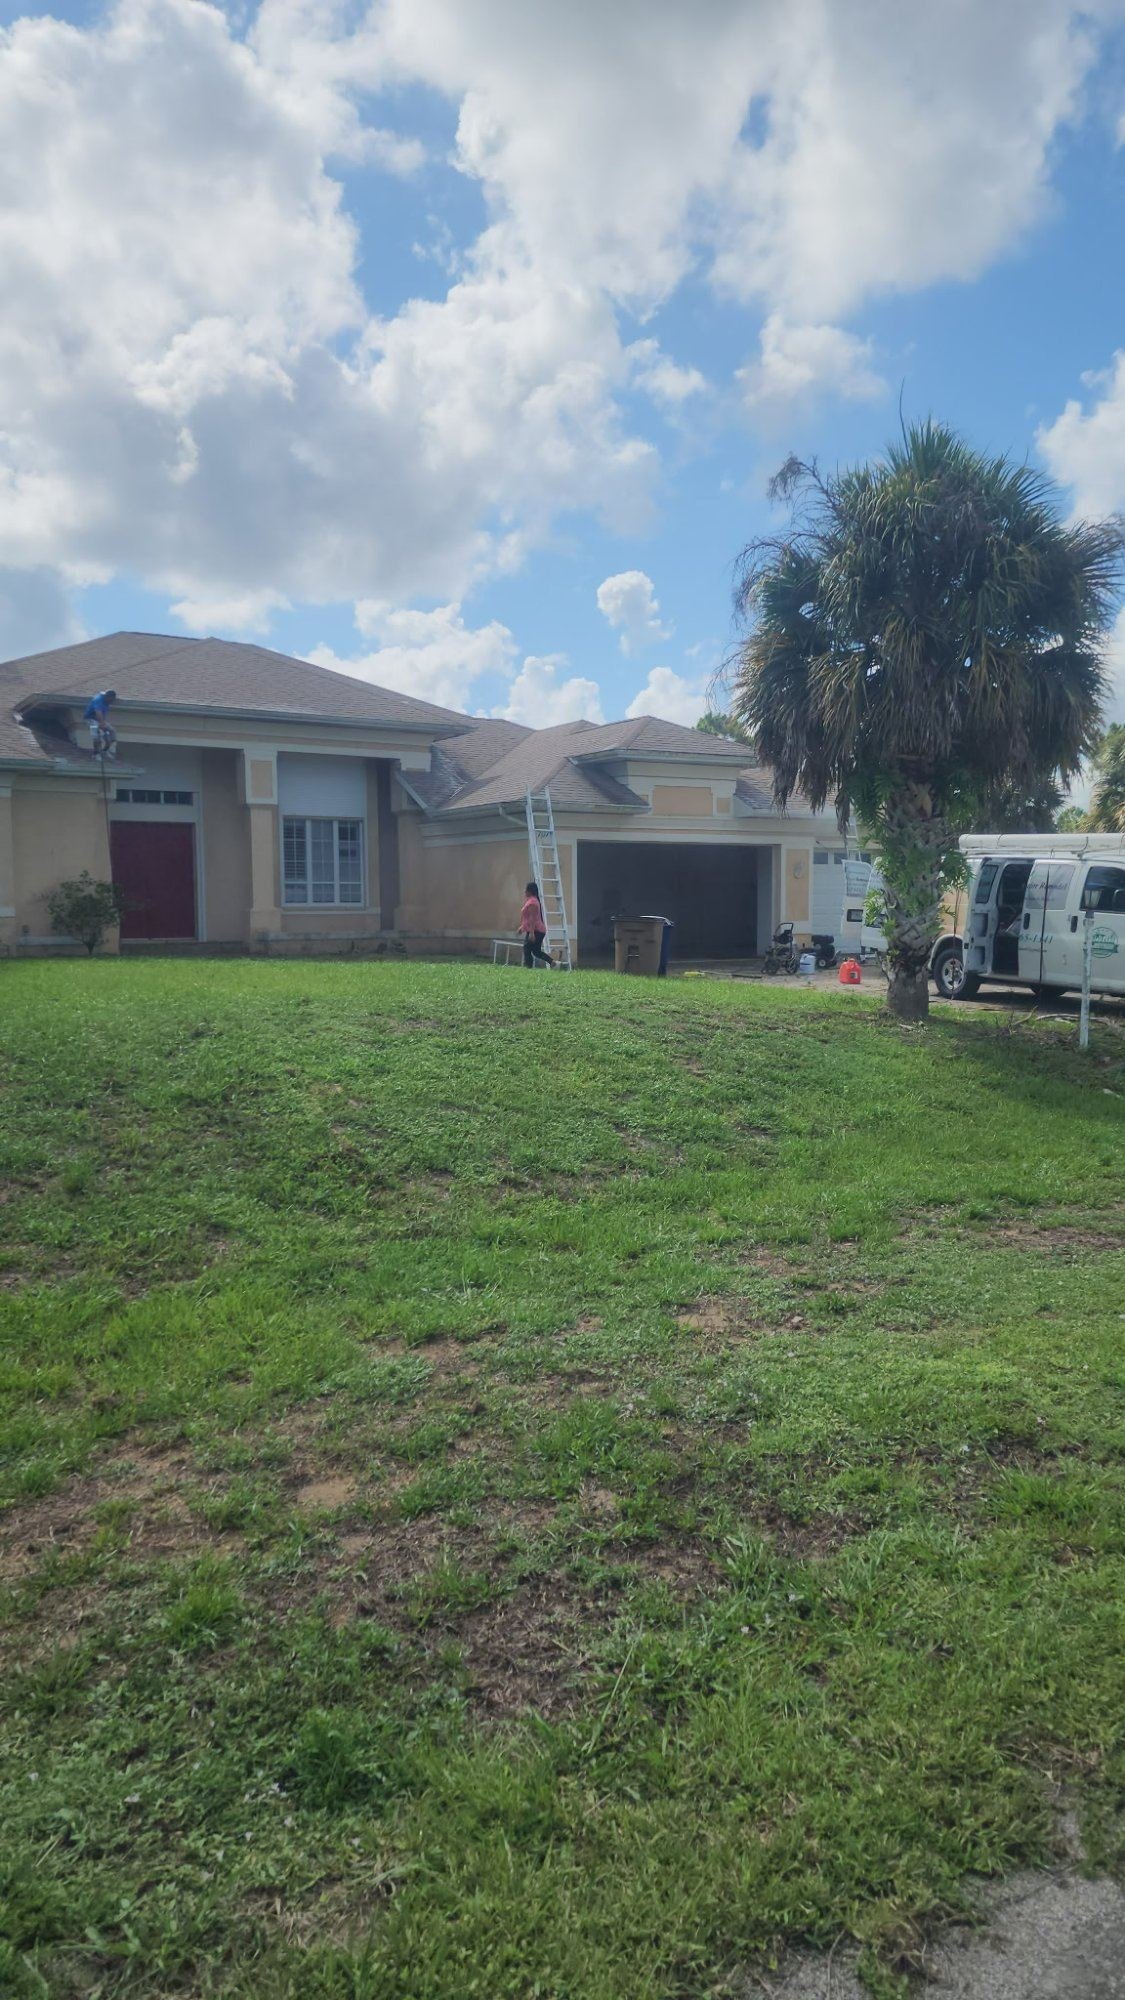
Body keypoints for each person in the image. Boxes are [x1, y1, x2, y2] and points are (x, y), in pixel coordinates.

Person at [519, 880, 554, 967]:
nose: (524, 891)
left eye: (526, 890)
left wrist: (532, 933)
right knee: (536, 952)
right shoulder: (531, 901)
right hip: (536, 930)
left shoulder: (533, 902)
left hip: (536, 930)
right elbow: (527, 918)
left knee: (527, 949)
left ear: (530, 891)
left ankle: (528, 968)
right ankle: (553, 963)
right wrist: (522, 927)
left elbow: (532, 918)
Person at [83, 688, 118, 759]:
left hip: (100, 719)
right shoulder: (98, 700)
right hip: (90, 719)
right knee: (96, 735)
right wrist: (102, 724)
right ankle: (96, 754)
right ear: (107, 697)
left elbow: (103, 714)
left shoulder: (107, 701)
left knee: (112, 731)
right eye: (111, 700)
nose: (111, 702)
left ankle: (106, 750)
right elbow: (98, 713)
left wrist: (104, 725)